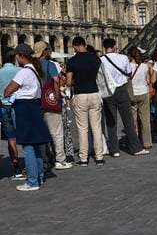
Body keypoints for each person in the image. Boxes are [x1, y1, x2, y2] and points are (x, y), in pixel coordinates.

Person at [1, 44, 51, 191]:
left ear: (21, 56)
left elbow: (7, 91)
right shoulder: (35, 70)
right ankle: (39, 176)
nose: (15, 57)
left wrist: (13, 92)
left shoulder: (23, 73)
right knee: (35, 144)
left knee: (28, 146)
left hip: (24, 108)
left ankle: (32, 181)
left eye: (17, 55)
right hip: (34, 107)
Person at [64, 36, 107, 165]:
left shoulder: (72, 61)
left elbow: (68, 82)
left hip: (81, 95)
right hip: (95, 93)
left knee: (82, 128)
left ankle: (83, 158)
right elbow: (101, 78)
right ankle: (99, 157)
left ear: (75, 46)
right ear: (85, 45)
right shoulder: (96, 59)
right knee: (96, 127)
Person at [100, 38, 145, 156]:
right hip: (121, 90)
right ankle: (136, 148)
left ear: (104, 47)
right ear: (115, 46)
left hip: (108, 92)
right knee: (128, 120)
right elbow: (129, 73)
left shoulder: (101, 60)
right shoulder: (123, 58)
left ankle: (114, 150)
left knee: (111, 122)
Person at [34, 41, 70, 169]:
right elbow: (56, 79)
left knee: (42, 132)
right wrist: (56, 96)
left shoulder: (32, 65)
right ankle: (60, 159)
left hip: (37, 102)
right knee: (57, 132)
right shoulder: (50, 65)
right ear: (45, 51)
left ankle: (45, 159)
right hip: (49, 101)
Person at [0, 50, 23, 178]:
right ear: (14, 58)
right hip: (19, 105)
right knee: (24, 136)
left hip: (4, 107)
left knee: (11, 139)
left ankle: (16, 166)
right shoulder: (19, 71)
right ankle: (30, 164)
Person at [128, 47, 155, 150]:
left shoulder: (128, 66)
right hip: (144, 93)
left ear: (130, 56)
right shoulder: (144, 66)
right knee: (145, 120)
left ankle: (134, 142)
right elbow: (148, 81)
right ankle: (147, 142)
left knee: (132, 120)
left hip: (132, 94)